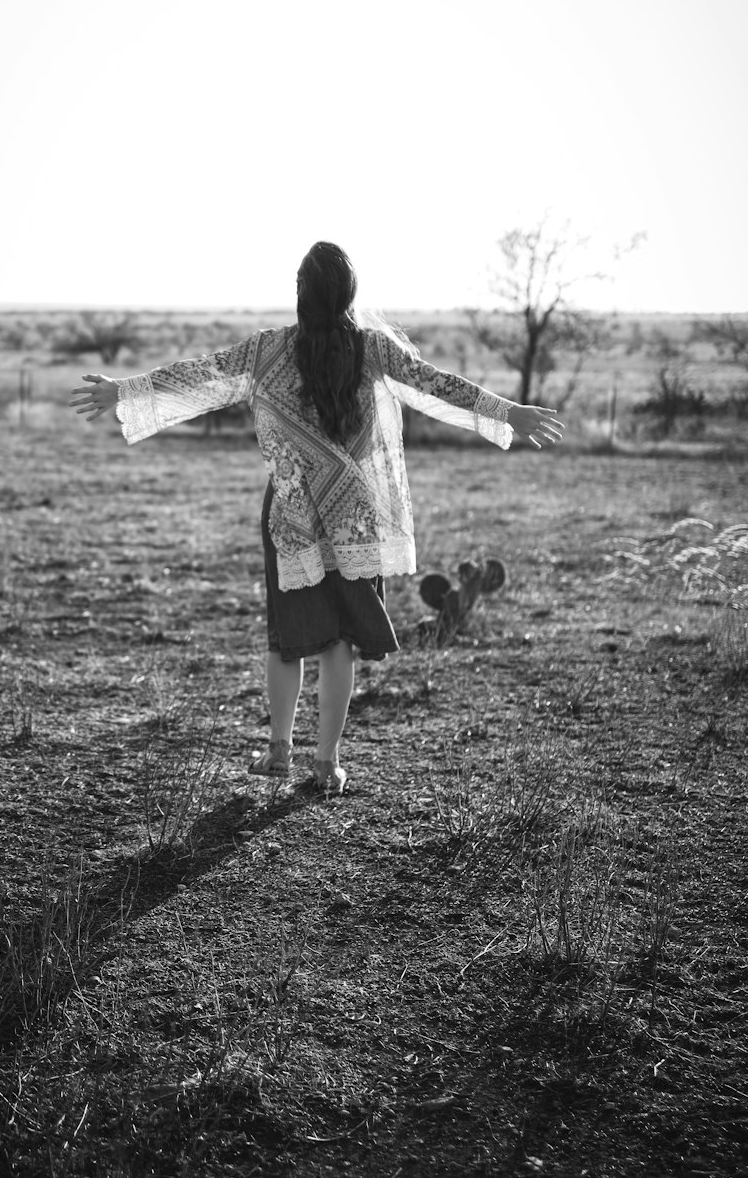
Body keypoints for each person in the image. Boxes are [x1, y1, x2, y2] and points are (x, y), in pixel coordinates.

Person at [69, 241, 563, 793]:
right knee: (339, 642)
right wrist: (506, 412)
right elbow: (437, 385)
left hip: (292, 515)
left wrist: (127, 391)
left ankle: (279, 753)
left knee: (287, 638)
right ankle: (326, 764)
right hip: (355, 517)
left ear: (300, 293)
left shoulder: (266, 352)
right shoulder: (374, 350)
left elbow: (199, 375)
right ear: (349, 294)